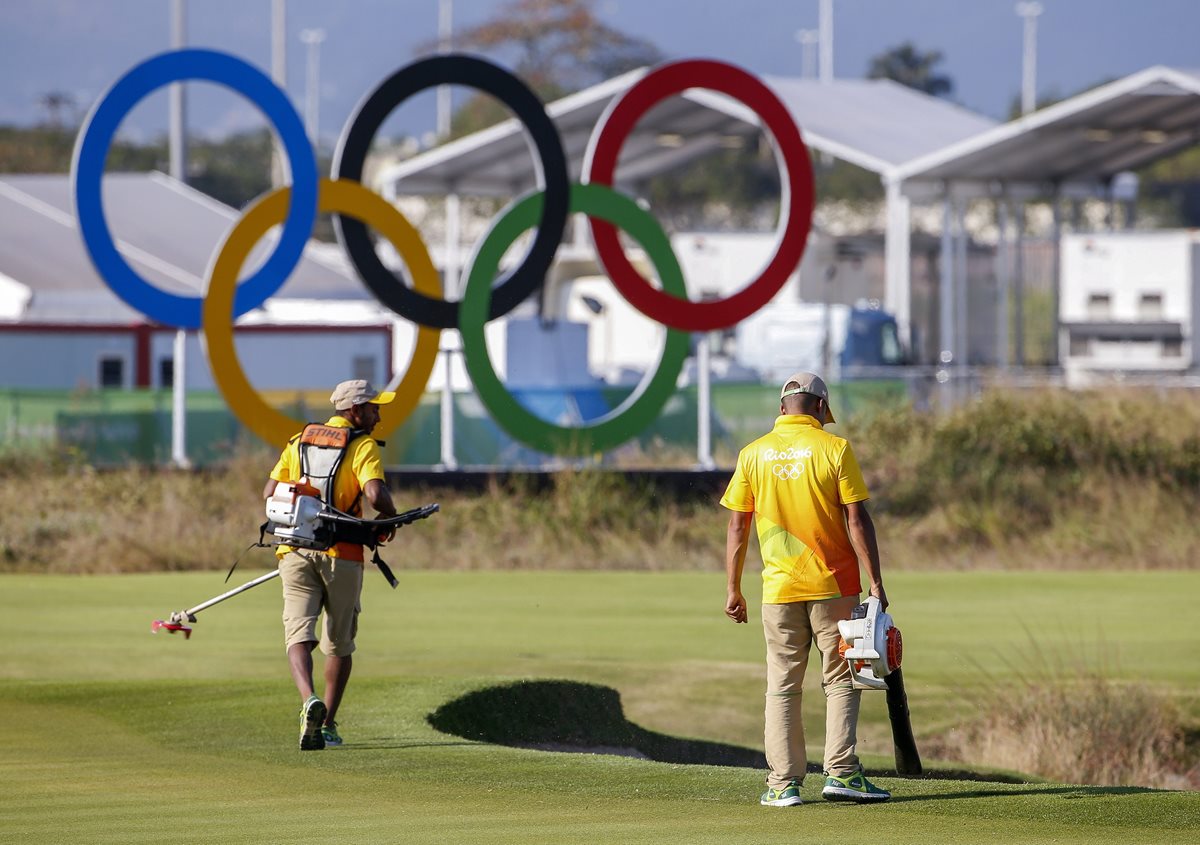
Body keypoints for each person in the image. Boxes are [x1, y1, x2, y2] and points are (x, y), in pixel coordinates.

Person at [720, 371, 891, 806]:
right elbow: (857, 520)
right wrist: (875, 582)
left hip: (777, 590)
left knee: (782, 684)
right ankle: (843, 774)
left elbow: (738, 526)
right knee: (840, 680)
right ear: (820, 408)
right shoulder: (835, 449)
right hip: (835, 585)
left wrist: (733, 588)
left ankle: (783, 784)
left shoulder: (752, 454)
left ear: (782, 408)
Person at [263, 378, 398, 750]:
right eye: (373, 407)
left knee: (297, 635)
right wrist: (392, 512)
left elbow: (270, 492)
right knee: (339, 643)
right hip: (344, 556)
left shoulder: (300, 438)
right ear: (354, 411)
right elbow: (374, 494)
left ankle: (309, 699)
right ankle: (328, 725)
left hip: (294, 551)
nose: (378, 413)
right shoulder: (362, 444)